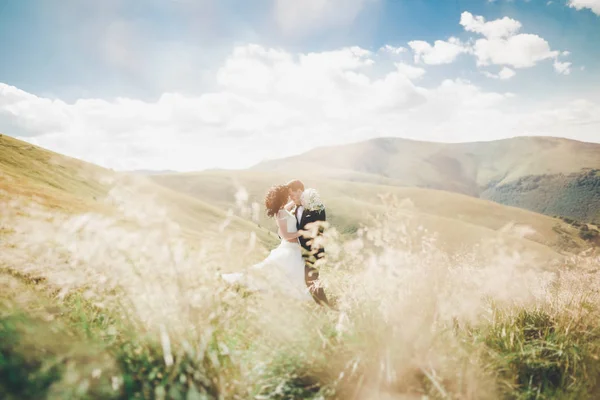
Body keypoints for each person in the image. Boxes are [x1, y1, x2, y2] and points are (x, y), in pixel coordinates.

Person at [221, 184, 313, 301]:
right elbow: (285, 235)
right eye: (286, 196)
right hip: (289, 248)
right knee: (276, 271)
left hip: (293, 248)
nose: (288, 197)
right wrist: (301, 233)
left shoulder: (282, 210)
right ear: (282, 198)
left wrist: (297, 201)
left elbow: (288, 208)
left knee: (286, 272)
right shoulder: (280, 213)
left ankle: (297, 294)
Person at [286, 179, 333, 308]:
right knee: (307, 281)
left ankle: (325, 307)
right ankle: (322, 306)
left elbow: (319, 229)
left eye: (292, 195)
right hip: (300, 253)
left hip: (314, 251)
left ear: (300, 191)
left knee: (311, 280)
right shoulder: (296, 210)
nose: (291, 198)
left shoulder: (316, 207)